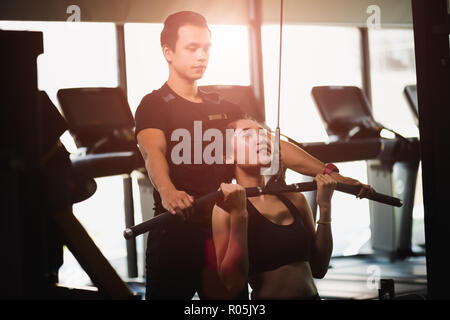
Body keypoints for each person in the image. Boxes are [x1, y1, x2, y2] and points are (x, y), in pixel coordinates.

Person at [134, 11, 371, 300]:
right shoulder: (154, 104)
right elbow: (152, 152)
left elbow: (272, 144)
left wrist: (332, 173)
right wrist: (168, 190)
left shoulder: (221, 104)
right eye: (192, 48)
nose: (202, 56)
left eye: (207, 47)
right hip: (177, 233)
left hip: (222, 226)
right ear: (168, 52)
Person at [212, 118, 338, 299]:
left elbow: (319, 268)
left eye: (263, 133)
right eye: (247, 134)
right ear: (229, 155)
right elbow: (232, 284)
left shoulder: (295, 199)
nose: (261, 138)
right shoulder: (225, 208)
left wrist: (325, 207)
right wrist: (239, 215)